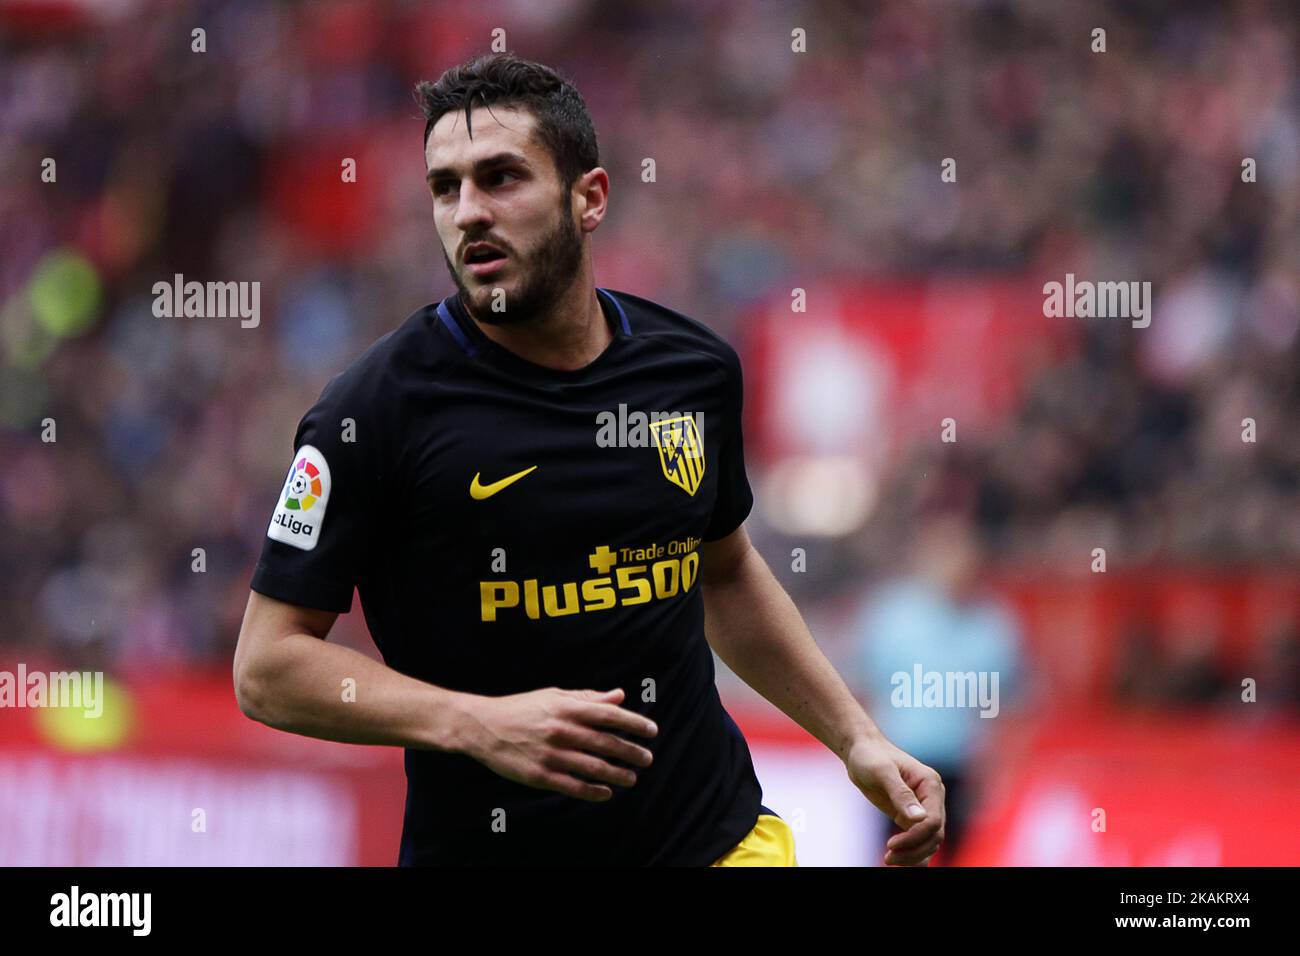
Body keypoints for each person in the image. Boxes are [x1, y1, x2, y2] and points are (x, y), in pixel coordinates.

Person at [233, 52, 944, 866]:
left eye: (501, 178)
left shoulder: (692, 371)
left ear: (590, 197)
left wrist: (855, 738)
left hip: (716, 843)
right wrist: (477, 722)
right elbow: (267, 667)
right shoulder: (371, 413)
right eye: (445, 186)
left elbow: (723, 573)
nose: (468, 212)